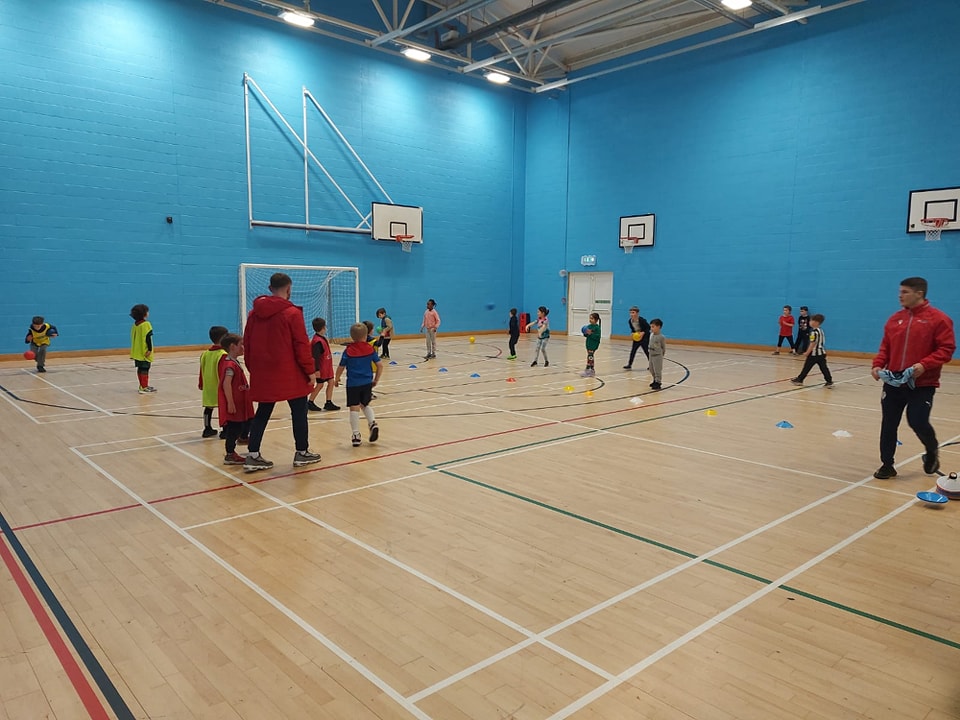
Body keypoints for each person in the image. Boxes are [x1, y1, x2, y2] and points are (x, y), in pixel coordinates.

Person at [870, 277, 955, 479]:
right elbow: (885, 348)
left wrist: (924, 364)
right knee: (889, 423)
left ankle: (932, 450)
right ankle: (887, 464)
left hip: (922, 383)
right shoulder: (894, 319)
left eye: (905, 292)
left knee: (917, 421)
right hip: (893, 382)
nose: (900, 295)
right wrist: (877, 364)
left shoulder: (939, 319)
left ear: (919, 293)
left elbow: (947, 349)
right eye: (900, 291)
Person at [242, 272, 322, 472]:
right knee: (299, 411)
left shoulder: (253, 314)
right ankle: (302, 452)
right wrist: (310, 370)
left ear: (270, 289)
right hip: (290, 372)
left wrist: (254, 369)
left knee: (263, 412)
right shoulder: (292, 313)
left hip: (263, 372)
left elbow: (247, 344)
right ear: (289, 288)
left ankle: (252, 454)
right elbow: (301, 345)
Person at [335, 322, 383, 447]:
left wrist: (337, 378)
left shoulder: (348, 351)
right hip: (367, 383)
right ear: (366, 335)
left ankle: (356, 435)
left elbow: (341, 366)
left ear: (352, 336)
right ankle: (372, 422)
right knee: (365, 404)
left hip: (353, 384)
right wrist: (376, 379)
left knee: (354, 408)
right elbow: (379, 365)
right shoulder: (369, 349)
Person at [217, 333, 255, 465]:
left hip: (241, 401)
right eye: (241, 345)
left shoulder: (233, 362)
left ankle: (241, 440)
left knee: (245, 422)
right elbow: (226, 384)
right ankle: (230, 454)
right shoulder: (229, 365)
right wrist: (230, 402)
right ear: (233, 347)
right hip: (235, 403)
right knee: (234, 428)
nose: (243, 347)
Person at [199, 326, 229, 438]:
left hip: (208, 386)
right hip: (219, 387)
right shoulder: (222, 354)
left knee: (208, 407)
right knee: (224, 408)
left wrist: (201, 383)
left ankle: (207, 428)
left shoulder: (205, 353)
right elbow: (223, 373)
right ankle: (225, 430)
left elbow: (201, 369)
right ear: (223, 338)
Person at [790, 314, 833, 387]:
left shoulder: (814, 332)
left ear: (816, 322)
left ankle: (800, 379)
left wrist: (807, 352)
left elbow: (812, 343)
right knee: (824, 367)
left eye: (811, 320)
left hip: (814, 354)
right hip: (822, 353)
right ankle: (829, 381)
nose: (809, 322)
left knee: (807, 367)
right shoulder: (821, 330)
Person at [307, 317, 339, 412]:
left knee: (331, 382)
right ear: (323, 327)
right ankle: (310, 402)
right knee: (320, 385)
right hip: (321, 368)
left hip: (327, 367)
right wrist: (316, 370)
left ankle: (328, 402)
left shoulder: (322, 338)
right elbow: (315, 357)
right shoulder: (317, 342)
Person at [130, 304, 156, 393]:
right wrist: (149, 349)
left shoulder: (135, 325)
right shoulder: (146, 324)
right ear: (144, 314)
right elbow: (148, 337)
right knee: (145, 369)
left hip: (137, 352)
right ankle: (144, 387)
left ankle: (142, 386)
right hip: (144, 352)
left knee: (140, 369)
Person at [581, 313, 602, 377]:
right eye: (590, 318)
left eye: (592, 318)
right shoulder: (589, 326)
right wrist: (585, 333)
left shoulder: (597, 328)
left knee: (590, 356)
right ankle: (591, 369)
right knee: (590, 356)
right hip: (589, 343)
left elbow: (597, 337)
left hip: (594, 344)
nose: (590, 320)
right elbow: (586, 335)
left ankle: (589, 369)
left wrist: (591, 334)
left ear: (596, 320)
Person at [648, 319, 666, 390]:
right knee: (651, 369)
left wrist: (661, 355)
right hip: (651, 354)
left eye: (653, 327)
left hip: (657, 355)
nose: (651, 328)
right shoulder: (651, 335)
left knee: (657, 370)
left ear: (658, 327)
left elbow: (663, 347)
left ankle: (658, 382)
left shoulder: (661, 337)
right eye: (651, 327)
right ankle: (654, 380)